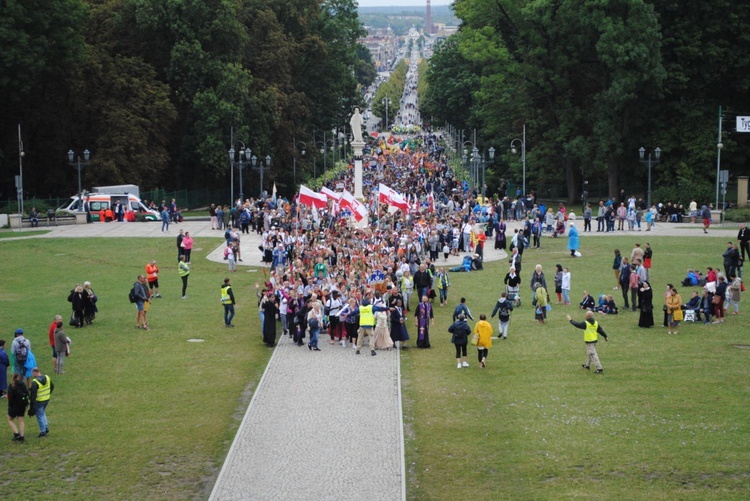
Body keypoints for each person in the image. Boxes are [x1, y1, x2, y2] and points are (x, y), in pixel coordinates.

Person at [28, 367, 54, 437]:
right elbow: (52, 386)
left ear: (34, 372)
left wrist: (31, 406)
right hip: (46, 399)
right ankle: (45, 427)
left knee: (40, 416)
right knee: (43, 413)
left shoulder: (35, 382)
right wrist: (48, 393)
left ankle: (43, 431)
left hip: (39, 401)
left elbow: (33, 395)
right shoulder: (47, 377)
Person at [6, 373, 29, 442]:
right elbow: (27, 393)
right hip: (22, 405)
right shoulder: (22, 384)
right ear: (18, 377)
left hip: (14, 406)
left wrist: (10, 406)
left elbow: (10, 398)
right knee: (21, 420)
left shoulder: (11, 386)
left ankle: (16, 434)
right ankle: (22, 436)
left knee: (10, 419)